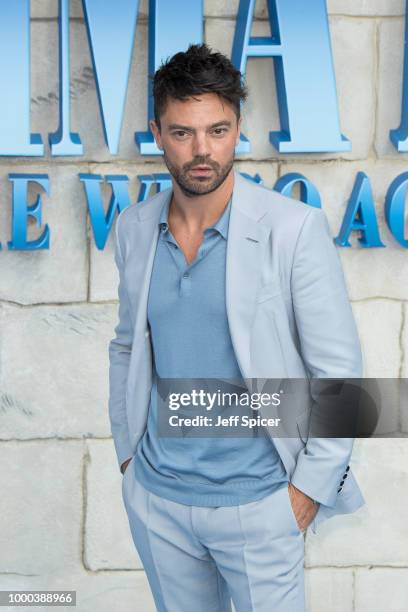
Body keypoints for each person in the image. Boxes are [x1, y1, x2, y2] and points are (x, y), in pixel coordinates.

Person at [109, 43, 365, 612]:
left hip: (261, 504)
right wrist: (130, 459)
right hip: (160, 500)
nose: (202, 151)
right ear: (156, 132)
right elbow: (127, 344)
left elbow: (340, 373)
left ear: (238, 128)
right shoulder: (133, 228)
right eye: (182, 133)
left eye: (217, 130)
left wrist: (305, 493)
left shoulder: (292, 229)